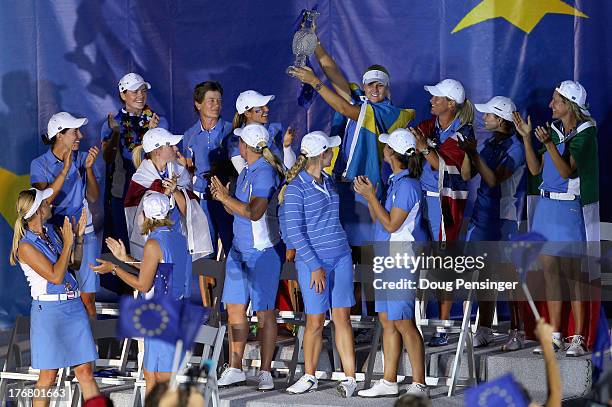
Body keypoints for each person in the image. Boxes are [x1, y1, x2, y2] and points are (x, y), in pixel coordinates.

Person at [288, 43, 415, 246]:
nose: (375, 89)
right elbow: (335, 75)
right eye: (370, 84)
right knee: (337, 244)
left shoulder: (388, 112)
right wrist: (316, 44)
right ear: (364, 86)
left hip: (364, 187)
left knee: (363, 248)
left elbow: (345, 110)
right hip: (339, 183)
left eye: (380, 85)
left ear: (387, 88)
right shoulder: (360, 100)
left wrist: (314, 82)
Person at [513, 81, 599, 357]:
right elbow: (536, 168)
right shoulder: (553, 131)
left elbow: (565, 172)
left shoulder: (585, 134)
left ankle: (577, 338)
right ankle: (555, 336)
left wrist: (549, 143)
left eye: (556, 100)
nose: (551, 105)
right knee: (551, 276)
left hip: (569, 211)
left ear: (569, 105)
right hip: (546, 210)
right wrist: (527, 139)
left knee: (574, 279)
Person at [280, 131, 357, 397]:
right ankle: (309, 375)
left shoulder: (328, 181)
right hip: (313, 263)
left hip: (341, 257)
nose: (333, 154)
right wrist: (314, 265)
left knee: (342, 318)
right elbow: (294, 232)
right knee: (315, 321)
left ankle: (350, 379)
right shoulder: (296, 188)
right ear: (320, 155)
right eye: (330, 151)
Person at [92, 192, 192, 394]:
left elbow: (144, 284)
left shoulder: (154, 244)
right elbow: (159, 270)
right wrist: (125, 258)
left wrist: (114, 268)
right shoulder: (177, 237)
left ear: (147, 216)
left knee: (159, 380)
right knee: (152, 377)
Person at [209, 124, 285, 391]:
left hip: (263, 252)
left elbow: (254, 212)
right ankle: (235, 367)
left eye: (239, 141)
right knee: (235, 310)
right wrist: (224, 199)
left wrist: (227, 198)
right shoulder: (246, 172)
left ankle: (265, 372)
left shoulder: (264, 173)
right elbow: (236, 211)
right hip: (238, 252)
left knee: (265, 314)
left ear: (245, 145)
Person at [354, 129, 429, 398]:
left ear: (392, 154)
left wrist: (372, 197)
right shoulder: (396, 182)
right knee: (387, 320)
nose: (382, 149)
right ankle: (389, 380)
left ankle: (419, 384)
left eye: (386, 147)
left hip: (401, 258)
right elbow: (380, 222)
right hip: (385, 256)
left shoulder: (408, 185)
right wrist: (369, 196)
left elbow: (392, 224)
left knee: (404, 321)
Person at [10, 188, 100, 406]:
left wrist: (77, 239)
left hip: (73, 306)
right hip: (49, 313)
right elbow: (56, 276)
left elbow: (73, 265)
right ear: (38, 210)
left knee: (85, 371)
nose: (50, 204)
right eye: (46, 202)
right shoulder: (25, 246)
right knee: (48, 376)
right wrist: (68, 243)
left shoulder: (50, 232)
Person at [411, 79, 475, 346]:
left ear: (451, 103)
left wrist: (425, 148)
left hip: (445, 204)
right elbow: (413, 139)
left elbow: (438, 164)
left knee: (442, 264)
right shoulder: (431, 125)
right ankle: (413, 319)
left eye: (437, 98)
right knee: (416, 257)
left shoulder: (464, 133)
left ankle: (444, 325)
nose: (431, 101)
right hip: (422, 198)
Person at [459, 96, 526, 350]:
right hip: (481, 217)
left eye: (488, 115)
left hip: (502, 220)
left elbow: (493, 180)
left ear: (500, 120)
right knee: (483, 276)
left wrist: (474, 153)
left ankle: (516, 332)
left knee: (508, 278)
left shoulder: (516, 148)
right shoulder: (489, 143)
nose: (483, 117)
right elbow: (467, 174)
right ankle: (484, 328)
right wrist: (469, 152)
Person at [30, 112, 100, 317]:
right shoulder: (39, 165)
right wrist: (66, 169)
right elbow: (44, 202)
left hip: (84, 232)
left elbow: (94, 197)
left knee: (88, 298)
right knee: (63, 291)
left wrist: (87, 170)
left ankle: (90, 347)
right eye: (75, 132)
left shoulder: (82, 158)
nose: (81, 136)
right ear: (60, 135)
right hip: (55, 234)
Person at [101, 73, 168, 248]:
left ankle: (153, 275)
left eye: (143, 90)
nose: (140, 95)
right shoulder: (112, 124)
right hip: (122, 190)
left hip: (152, 189)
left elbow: (161, 157)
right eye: (134, 91)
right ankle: (132, 275)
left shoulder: (158, 121)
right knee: (127, 241)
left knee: (155, 241)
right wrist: (115, 134)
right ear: (123, 95)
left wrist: (151, 134)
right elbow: (107, 158)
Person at [182, 81, 235, 258]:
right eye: (211, 100)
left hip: (226, 201)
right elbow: (189, 167)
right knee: (205, 254)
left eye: (219, 100)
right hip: (202, 202)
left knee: (233, 250)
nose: (216, 105)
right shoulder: (189, 135)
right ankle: (207, 286)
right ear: (198, 104)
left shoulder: (231, 131)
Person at [230, 90, 296, 174]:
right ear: (247, 113)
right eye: (260, 108)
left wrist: (287, 147)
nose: (267, 109)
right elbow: (245, 178)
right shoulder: (237, 141)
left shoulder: (275, 129)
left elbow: (290, 169)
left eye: (265, 105)